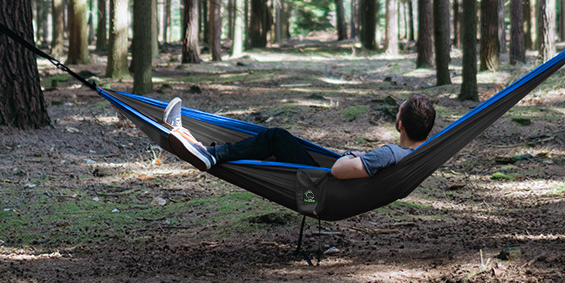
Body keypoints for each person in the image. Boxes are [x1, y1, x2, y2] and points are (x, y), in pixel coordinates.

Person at [163, 94, 436, 179]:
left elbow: (340, 171)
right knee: (270, 146)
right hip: (328, 187)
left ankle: (208, 154)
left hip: (319, 187)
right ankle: (198, 146)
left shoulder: (390, 153)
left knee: (275, 138)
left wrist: (357, 155)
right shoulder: (419, 155)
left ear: (399, 123)